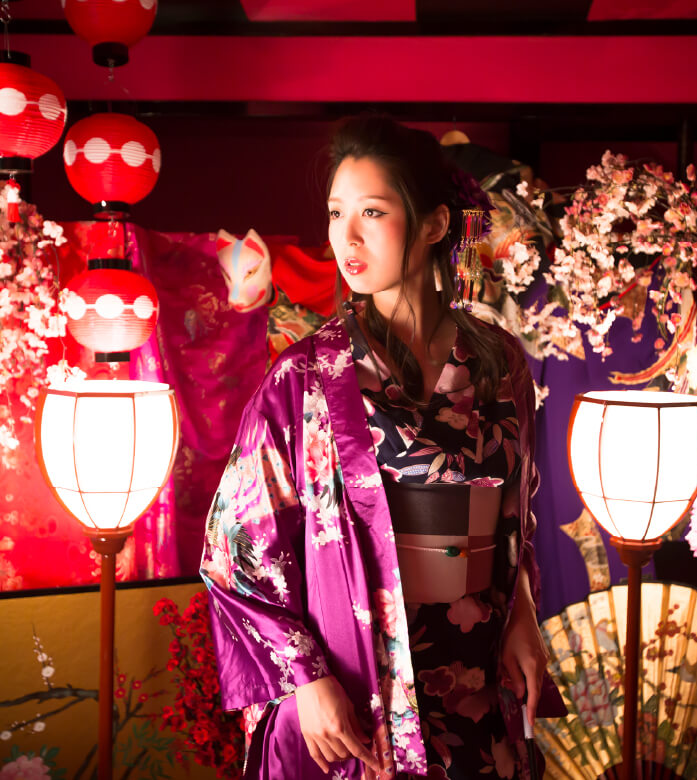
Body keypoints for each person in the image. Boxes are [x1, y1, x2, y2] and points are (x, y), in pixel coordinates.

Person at [200, 114, 566, 780]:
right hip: (362, 678)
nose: (347, 236)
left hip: (478, 664)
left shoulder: (499, 361)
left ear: (434, 224)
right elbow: (236, 546)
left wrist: (523, 616)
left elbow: (520, 513)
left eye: (372, 211)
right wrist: (306, 679)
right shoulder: (308, 376)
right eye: (336, 212)